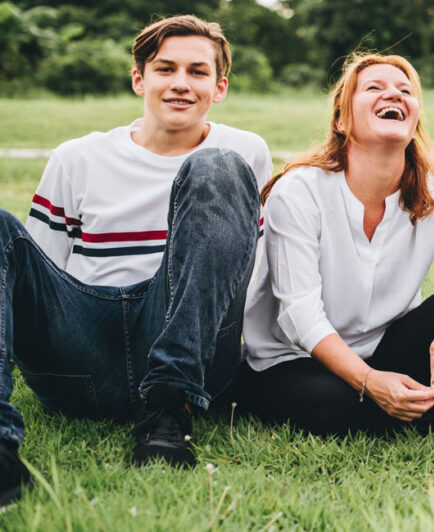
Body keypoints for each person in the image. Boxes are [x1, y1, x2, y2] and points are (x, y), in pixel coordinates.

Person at [0, 14, 271, 503]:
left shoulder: (244, 152)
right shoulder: (77, 157)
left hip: (188, 353)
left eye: (197, 71)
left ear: (220, 86)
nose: (181, 84)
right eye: (165, 69)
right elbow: (40, 280)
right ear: (139, 80)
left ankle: (169, 404)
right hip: (81, 354)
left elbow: (250, 275)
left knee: (218, 166)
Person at [237, 53, 434, 475]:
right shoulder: (300, 191)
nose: (393, 95)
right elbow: (299, 315)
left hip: (385, 350)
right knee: (330, 407)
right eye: (375, 88)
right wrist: (369, 382)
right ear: (342, 120)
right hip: (294, 361)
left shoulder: (433, 194)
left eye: (405, 90)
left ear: (414, 117)